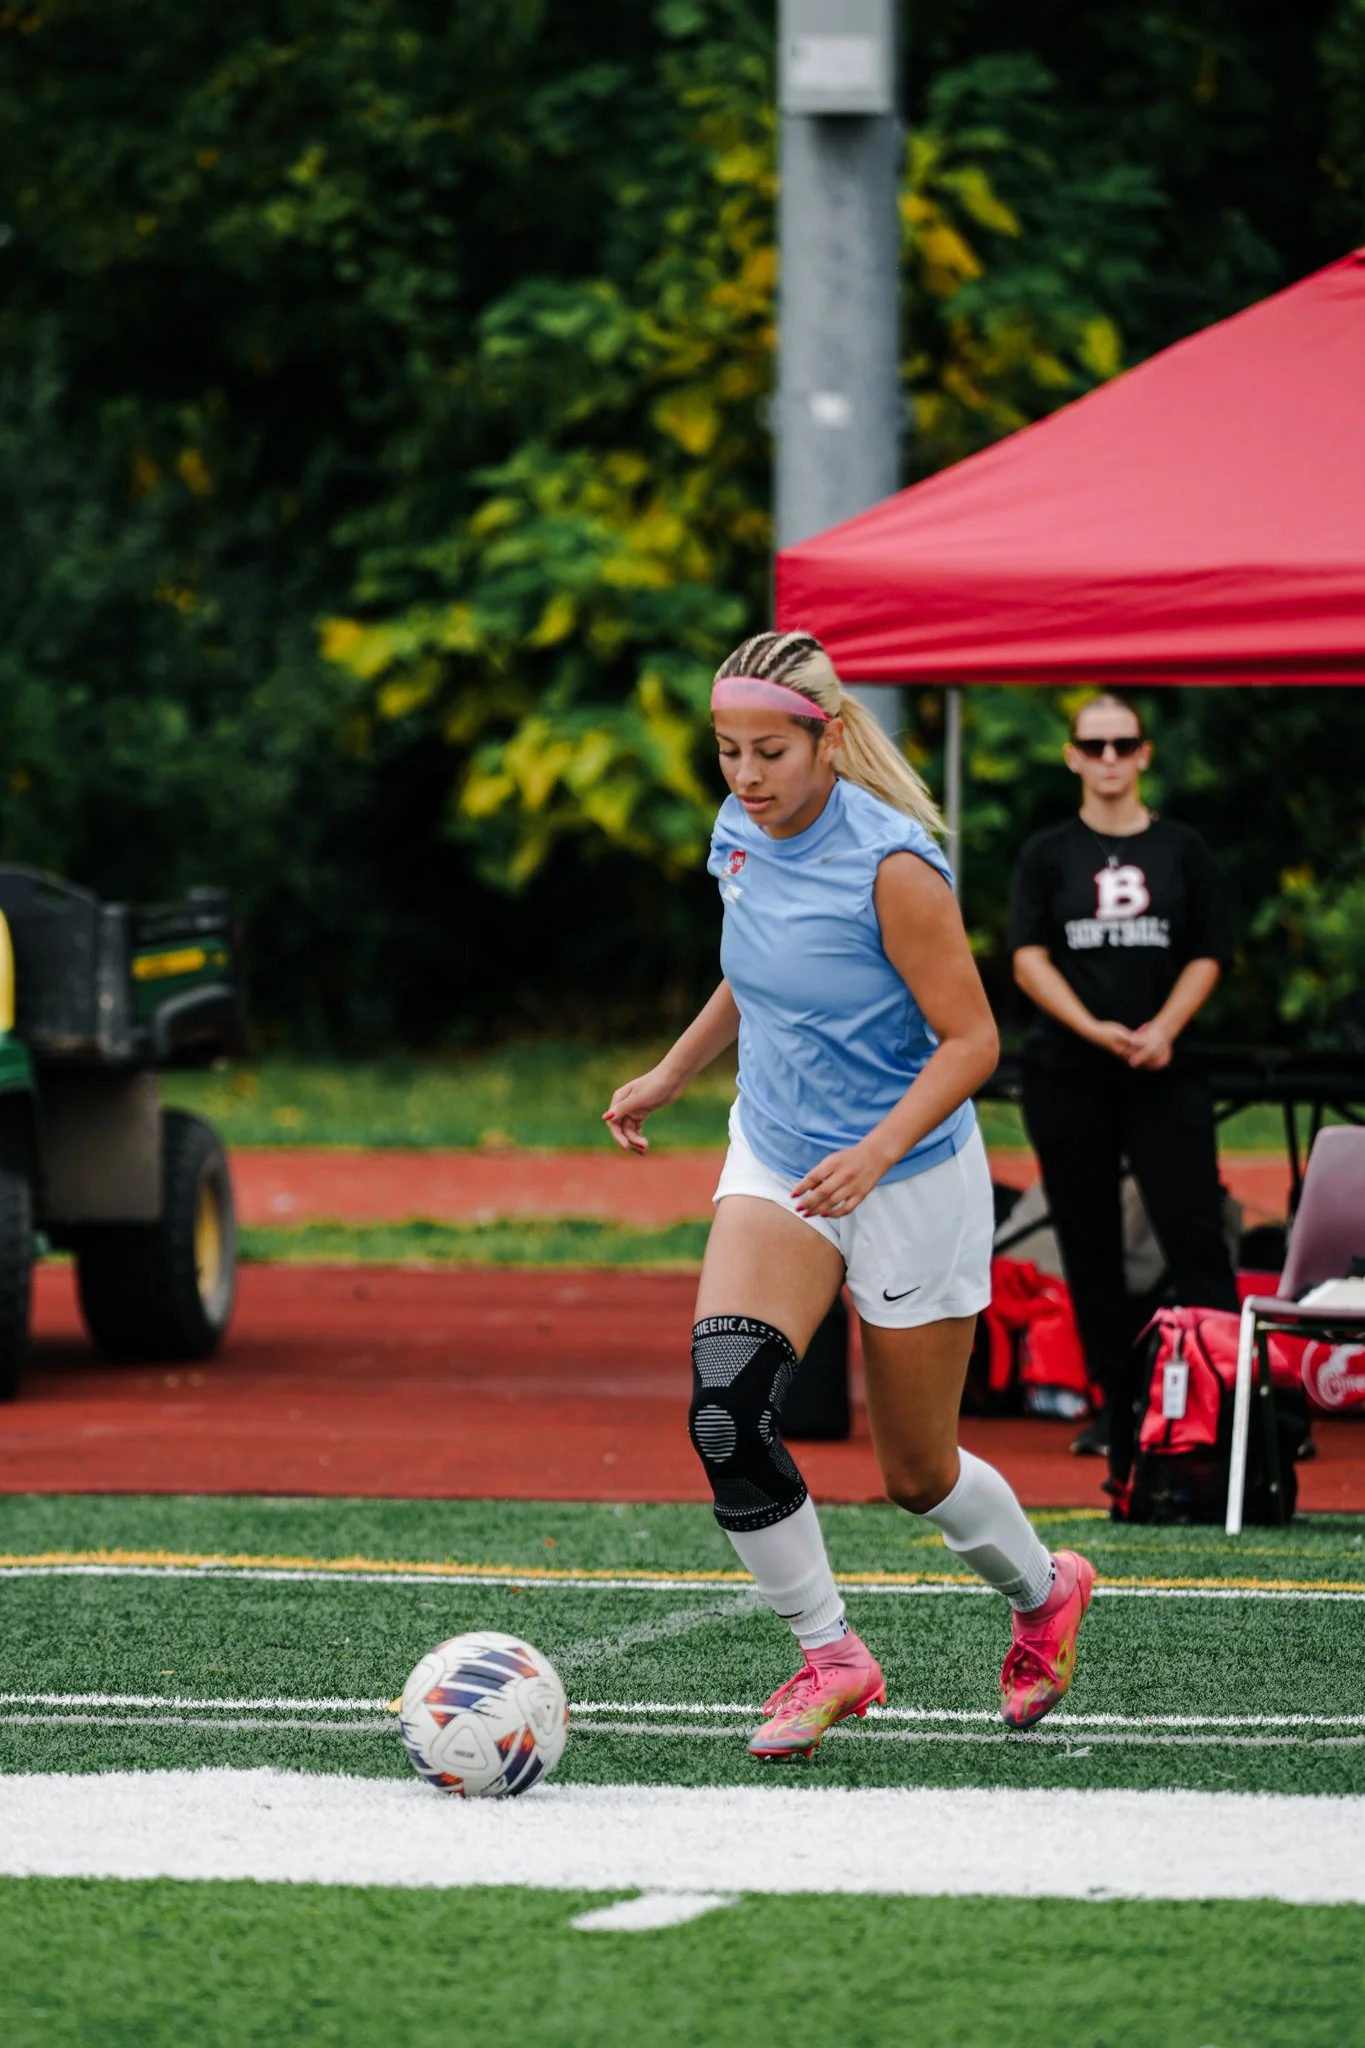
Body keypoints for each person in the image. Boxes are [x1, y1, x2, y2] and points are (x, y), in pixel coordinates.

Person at [605, 631, 1094, 1760]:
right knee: (726, 1411)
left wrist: (874, 1153)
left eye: (768, 750)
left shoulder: (895, 864)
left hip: (908, 1173)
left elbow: (973, 1041)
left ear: (826, 737)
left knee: (917, 1470)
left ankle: (1044, 1590)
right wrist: (677, 1068)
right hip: (778, 1155)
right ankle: (830, 1654)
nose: (745, 776)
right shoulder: (740, 831)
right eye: (727, 752)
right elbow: (755, 960)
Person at [1007, 692, 1240, 1471]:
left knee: (1193, 1231)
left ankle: (1226, 1400)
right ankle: (1119, 1406)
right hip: (1070, 1070)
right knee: (1087, 1239)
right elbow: (1028, 956)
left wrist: (1164, 1028)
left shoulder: (1183, 849)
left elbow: (1208, 951)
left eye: (1122, 744)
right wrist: (1090, 1027)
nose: (1108, 759)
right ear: (1071, 754)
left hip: (1163, 1069)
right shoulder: (1046, 853)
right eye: (1093, 745)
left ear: (1143, 753)